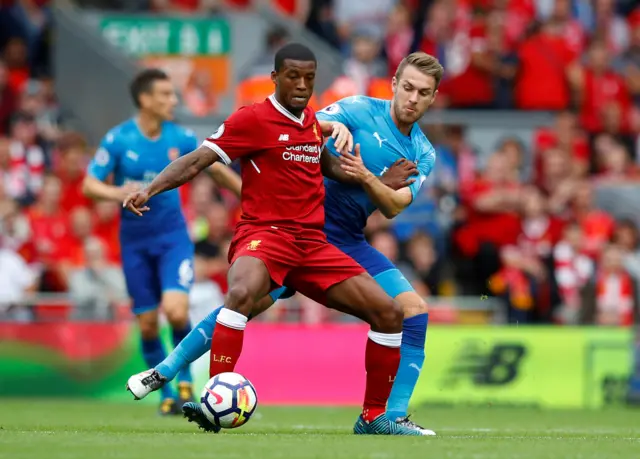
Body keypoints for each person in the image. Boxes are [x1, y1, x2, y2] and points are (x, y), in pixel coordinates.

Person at [123, 44, 435, 436]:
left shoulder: (334, 130)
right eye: (294, 76)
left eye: (309, 78)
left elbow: (347, 178)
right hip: (272, 234)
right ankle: (200, 389)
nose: (302, 85)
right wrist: (149, 190)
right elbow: (200, 159)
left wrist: (371, 179)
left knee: (398, 313)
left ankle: (381, 417)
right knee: (241, 298)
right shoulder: (280, 116)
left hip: (324, 242)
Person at [82, 69, 241, 415]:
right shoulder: (119, 139)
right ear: (145, 100)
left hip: (172, 239)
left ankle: (184, 380)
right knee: (149, 323)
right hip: (135, 242)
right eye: (166, 95)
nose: (173, 101)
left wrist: (247, 194)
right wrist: (117, 191)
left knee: (176, 310)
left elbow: (213, 168)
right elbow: (89, 184)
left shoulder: (181, 138)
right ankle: (165, 393)